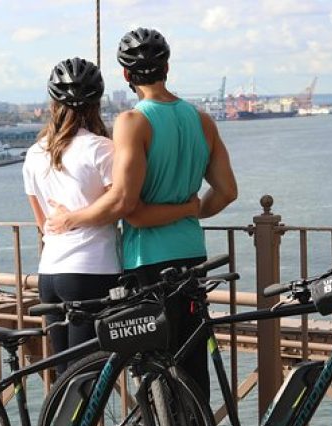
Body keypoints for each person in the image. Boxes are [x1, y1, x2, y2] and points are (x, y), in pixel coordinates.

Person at [23, 56, 196, 426]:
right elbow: (123, 203)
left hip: (51, 275)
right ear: (98, 100)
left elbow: (43, 223)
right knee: (91, 378)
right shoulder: (100, 149)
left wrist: (65, 225)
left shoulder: (35, 154)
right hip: (93, 273)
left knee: (65, 377)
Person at [47, 28, 238, 401]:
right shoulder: (202, 120)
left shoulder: (133, 121)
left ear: (126, 75)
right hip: (192, 254)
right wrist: (190, 210)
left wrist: (71, 219)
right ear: (167, 67)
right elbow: (227, 191)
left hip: (148, 261)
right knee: (192, 357)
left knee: (154, 361)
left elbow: (126, 206)